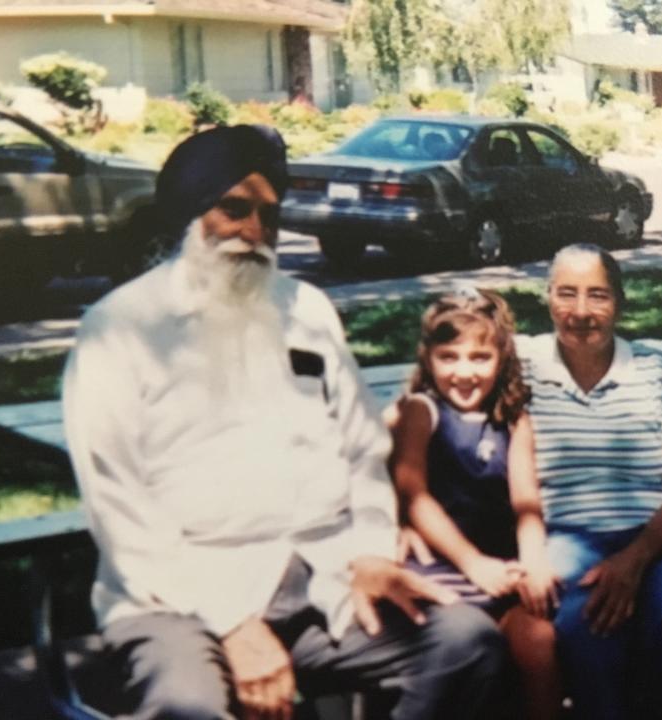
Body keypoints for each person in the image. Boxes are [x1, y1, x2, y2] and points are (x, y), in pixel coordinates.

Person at [62, 124, 511, 720]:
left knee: (465, 644)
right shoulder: (119, 329)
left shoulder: (307, 312)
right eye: (234, 209)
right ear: (191, 215)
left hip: (325, 580)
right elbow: (120, 514)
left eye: (269, 216)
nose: (254, 233)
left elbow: (363, 452)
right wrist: (234, 627)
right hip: (176, 597)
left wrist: (375, 552)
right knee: (187, 705)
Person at [513, 243, 662, 720]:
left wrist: (634, 560)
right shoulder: (522, 367)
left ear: (620, 303)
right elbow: (445, 360)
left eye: (598, 296)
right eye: (567, 294)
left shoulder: (659, 373)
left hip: (660, 535)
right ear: (547, 298)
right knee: (584, 624)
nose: (581, 312)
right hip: (569, 533)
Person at [389, 288, 563, 720]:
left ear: (502, 357)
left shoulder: (514, 419)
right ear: (428, 358)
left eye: (479, 358)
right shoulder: (420, 410)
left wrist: (535, 560)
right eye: (449, 357)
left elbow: (526, 500)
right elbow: (414, 494)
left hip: (502, 577)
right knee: (468, 653)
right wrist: (471, 564)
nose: (463, 373)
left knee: (539, 640)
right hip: (443, 579)